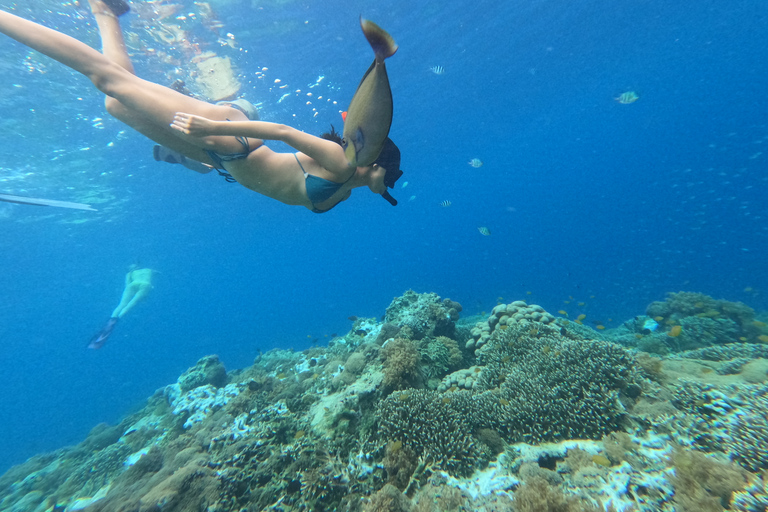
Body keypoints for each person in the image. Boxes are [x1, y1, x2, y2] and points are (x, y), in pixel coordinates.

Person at [0, 0, 403, 213]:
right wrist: (213, 130)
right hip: (232, 139)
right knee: (108, 80)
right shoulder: (341, 163)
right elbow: (283, 133)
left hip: (222, 159)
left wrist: (198, 155)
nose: (392, 184)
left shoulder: (345, 193)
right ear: (377, 164)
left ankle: (105, 11)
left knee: (115, 103)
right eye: (394, 174)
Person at [88, 265, 154, 349]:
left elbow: (127, 284)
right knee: (132, 303)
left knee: (121, 304)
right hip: (146, 284)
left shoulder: (129, 273)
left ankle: (112, 319)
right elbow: (156, 274)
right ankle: (118, 318)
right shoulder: (148, 270)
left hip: (132, 284)